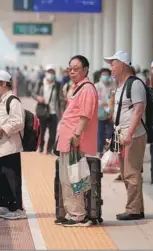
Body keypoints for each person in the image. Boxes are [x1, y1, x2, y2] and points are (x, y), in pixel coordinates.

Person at [55, 55, 98, 227]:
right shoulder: (77, 88)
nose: (72, 71)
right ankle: (73, 213)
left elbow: (85, 115)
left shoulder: (87, 89)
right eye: (70, 68)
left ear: (86, 70)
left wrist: (77, 135)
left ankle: (78, 216)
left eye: (76, 68)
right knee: (67, 178)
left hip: (74, 142)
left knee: (74, 178)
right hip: (67, 141)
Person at [104, 50, 146, 221]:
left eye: (113, 63)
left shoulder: (134, 84)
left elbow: (138, 110)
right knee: (126, 172)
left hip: (133, 135)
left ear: (122, 64)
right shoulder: (121, 86)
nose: (111, 67)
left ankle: (133, 210)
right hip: (122, 134)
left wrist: (129, 133)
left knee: (131, 172)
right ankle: (137, 207)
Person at [0, 70, 27, 220]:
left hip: (9, 147)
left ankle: (17, 209)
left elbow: (18, 123)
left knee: (11, 178)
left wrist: (1, 129)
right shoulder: (0, 100)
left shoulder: (12, 101)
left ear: (3, 84)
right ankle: (3, 206)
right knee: (1, 177)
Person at [32, 64, 64, 154]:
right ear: (46, 73)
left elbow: (61, 99)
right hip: (42, 111)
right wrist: (38, 98)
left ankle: (49, 150)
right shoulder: (40, 83)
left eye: (52, 72)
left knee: (53, 134)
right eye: (49, 72)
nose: (51, 74)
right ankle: (41, 146)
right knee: (41, 132)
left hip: (53, 112)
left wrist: (62, 111)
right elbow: (33, 93)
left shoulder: (58, 85)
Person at [95, 68, 115, 155]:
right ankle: (99, 151)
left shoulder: (113, 86)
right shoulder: (96, 86)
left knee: (110, 133)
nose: (105, 77)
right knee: (100, 132)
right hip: (99, 114)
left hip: (110, 114)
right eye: (103, 75)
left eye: (107, 75)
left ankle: (108, 150)